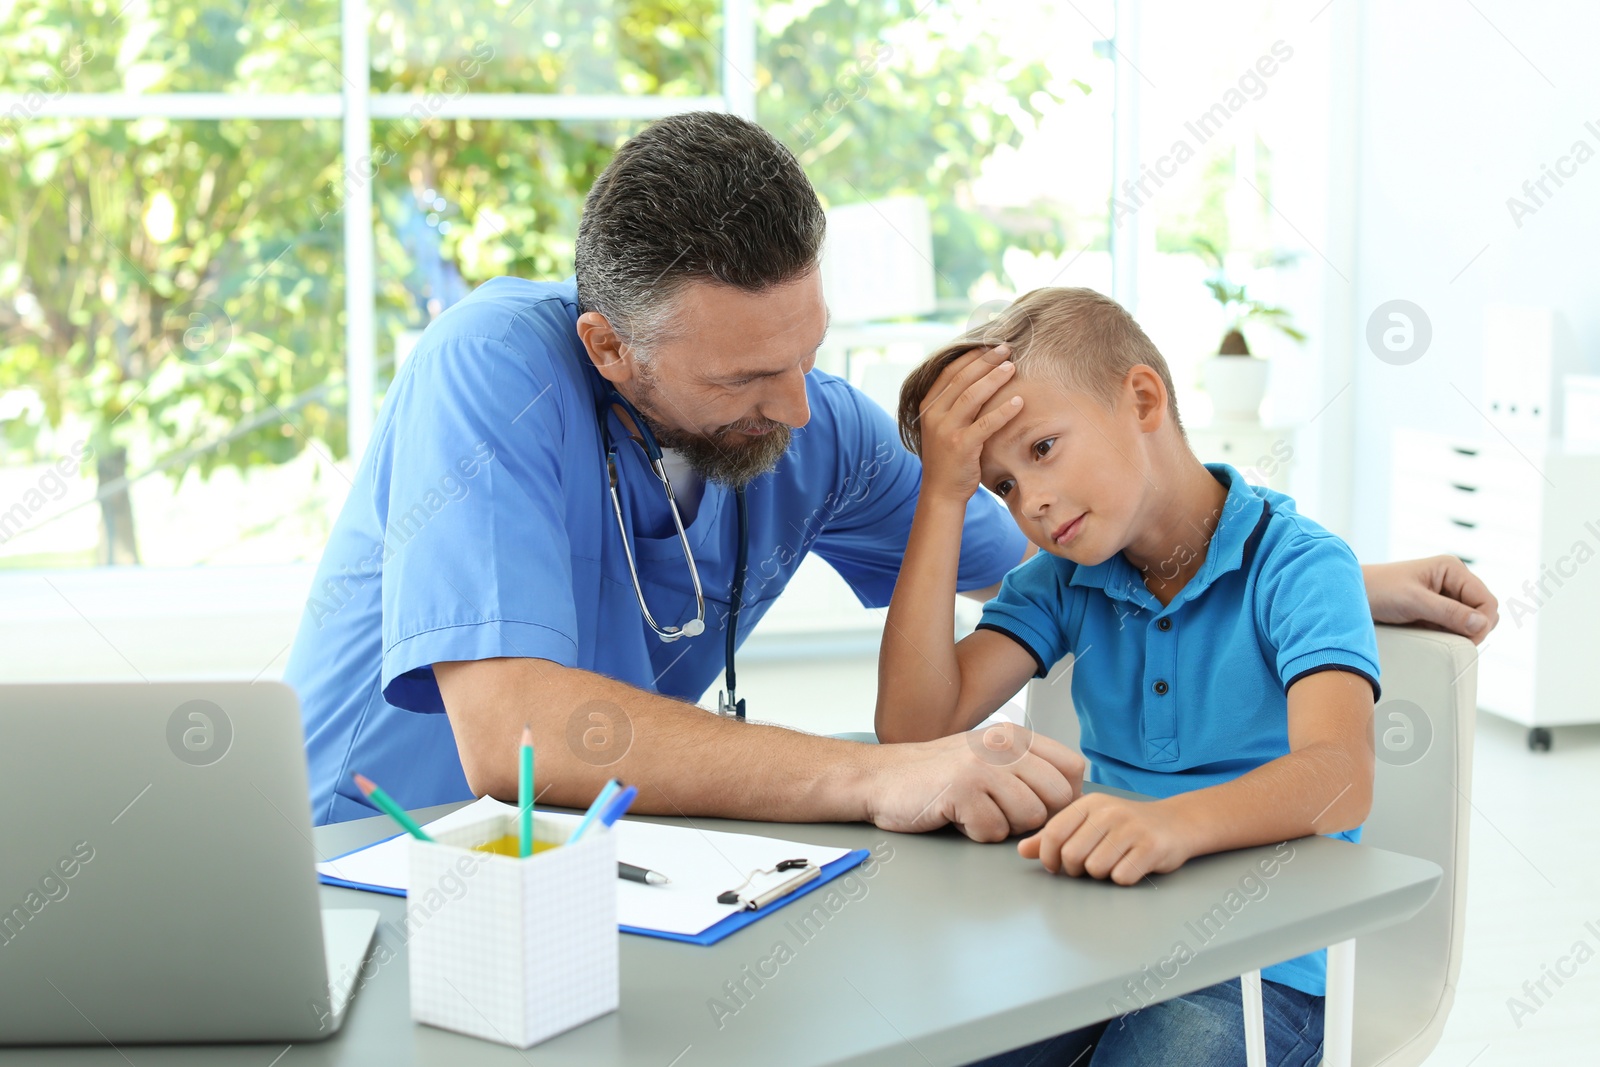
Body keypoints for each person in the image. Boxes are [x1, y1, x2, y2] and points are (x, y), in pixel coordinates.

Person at [284, 110, 1498, 850]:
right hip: (377, 861)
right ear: (612, 348)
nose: (799, 409)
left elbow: (1062, 547)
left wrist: (1318, 570)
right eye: (749, 377)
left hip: (604, 863)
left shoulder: (814, 427)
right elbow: (514, 736)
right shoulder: (492, 366)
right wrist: (873, 771)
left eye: (810, 353)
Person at [876, 287, 1414, 1066]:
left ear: (1141, 398)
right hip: (1094, 936)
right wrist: (944, 492)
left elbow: (1339, 778)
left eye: (1042, 449)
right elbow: (914, 728)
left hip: (1260, 965)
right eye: (1003, 486)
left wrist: (1170, 824)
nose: (1033, 501)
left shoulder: (1300, 566)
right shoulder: (1062, 578)